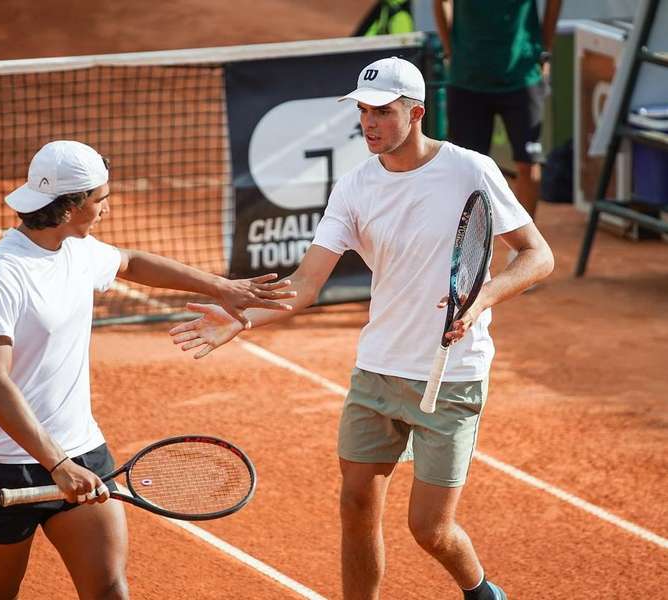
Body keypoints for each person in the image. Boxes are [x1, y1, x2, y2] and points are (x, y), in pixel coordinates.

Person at [168, 57, 553, 600]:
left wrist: (480, 299)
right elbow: (306, 284)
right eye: (363, 112)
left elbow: (538, 256)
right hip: (377, 372)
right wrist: (241, 319)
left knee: (430, 529)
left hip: (451, 376)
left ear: (416, 113)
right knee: (355, 504)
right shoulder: (354, 186)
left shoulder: (472, 170)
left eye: (382, 112)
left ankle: (483, 592)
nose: (368, 123)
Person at [0, 140, 294, 600]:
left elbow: (131, 262)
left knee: (110, 591)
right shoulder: (1, 273)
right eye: (100, 199)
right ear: (71, 205)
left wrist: (220, 287)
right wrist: (57, 464)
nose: (106, 207)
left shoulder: (76, 249)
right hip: (5, 466)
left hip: (83, 451)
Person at [434, 0, 563, 221]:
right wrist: (450, 51)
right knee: (464, 168)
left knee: (528, 165)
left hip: (522, 76)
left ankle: (524, 245)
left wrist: (545, 49)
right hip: (467, 77)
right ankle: (470, 242)